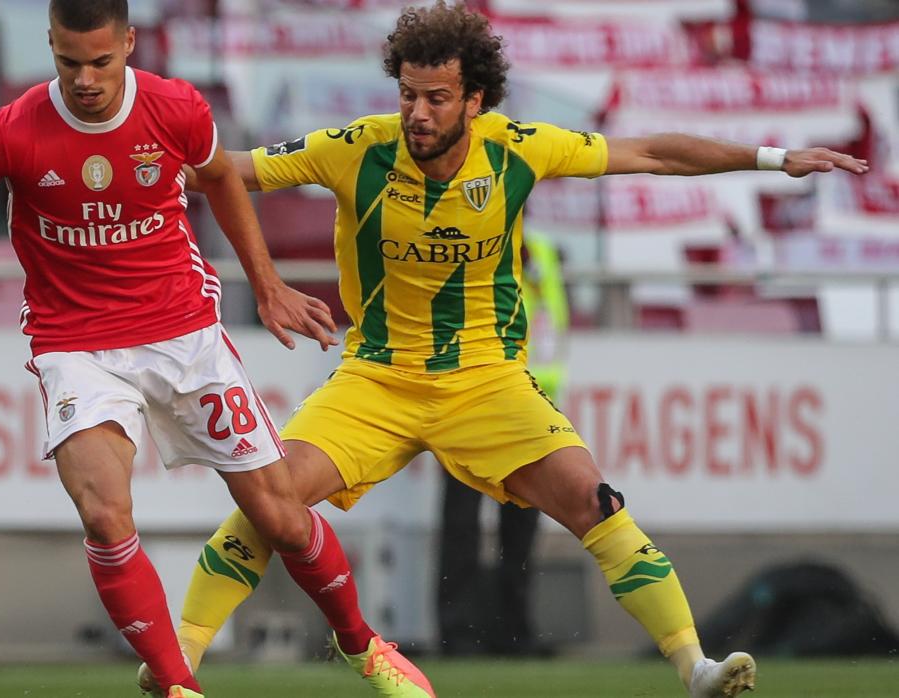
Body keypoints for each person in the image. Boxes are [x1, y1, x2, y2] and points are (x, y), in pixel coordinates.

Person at [139, 2, 869, 696]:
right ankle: (177, 665)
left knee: (594, 498)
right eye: (408, 95)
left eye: (435, 98)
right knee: (269, 501)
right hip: (376, 380)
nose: (417, 113)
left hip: (487, 381)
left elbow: (652, 153)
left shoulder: (520, 149)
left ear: (475, 99)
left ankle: (695, 668)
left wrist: (773, 158)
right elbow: (227, 168)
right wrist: (135, 158)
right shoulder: (356, 147)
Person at [0, 2, 435, 697]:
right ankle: (178, 686)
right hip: (75, 344)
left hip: (183, 335)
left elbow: (221, 181)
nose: (84, 79)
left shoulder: (176, 108)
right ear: (51, 47)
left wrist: (267, 287)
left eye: (100, 61)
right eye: (67, 62)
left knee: (278, 516)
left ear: (128, 44)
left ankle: (361, 645)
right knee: (105, 513)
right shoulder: (12, 128)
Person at [436, 231, 565, 657]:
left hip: (529, 409)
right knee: (462, 524)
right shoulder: (469, 238)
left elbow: (552, 325)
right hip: (469, 402)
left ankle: (515, 633)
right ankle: (457, 633)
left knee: (521, 527)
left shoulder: (542, 252)